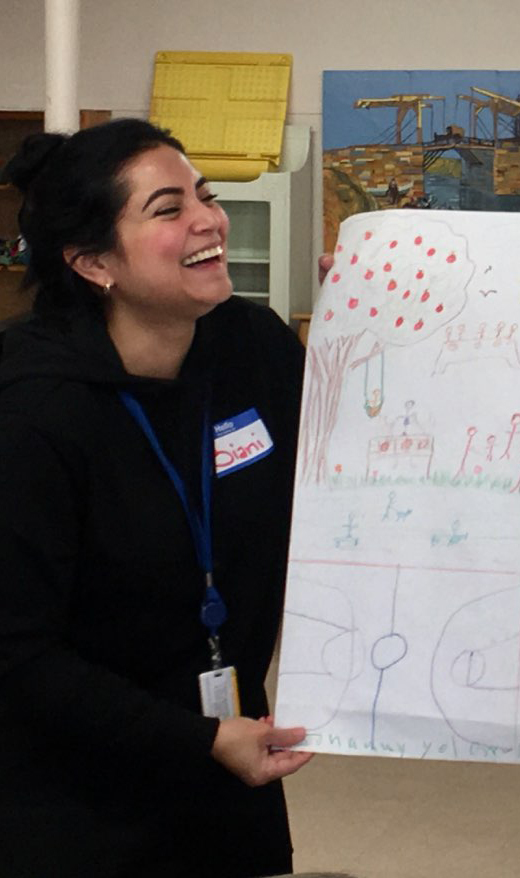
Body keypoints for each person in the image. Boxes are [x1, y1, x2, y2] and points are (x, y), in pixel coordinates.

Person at [0, 120, 313, 878]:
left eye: (204, 195)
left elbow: (356, 479)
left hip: (229, 763)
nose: (209, 218)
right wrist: (200, 740)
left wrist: (372, 322)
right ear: (93, 262)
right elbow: (17, 656)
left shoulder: (253, 347)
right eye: (168, 209)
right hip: (75, 796)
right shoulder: (33, 411)